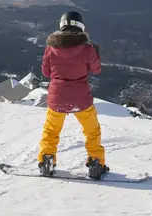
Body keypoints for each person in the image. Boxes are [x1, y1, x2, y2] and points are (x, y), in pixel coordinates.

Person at [37, 10, 109, 179]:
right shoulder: (87, 49)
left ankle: (47, 160)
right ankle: (96, 163)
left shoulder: (51, 48)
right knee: (92, 131)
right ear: (81, 27)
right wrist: (95, 53)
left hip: (57, 99)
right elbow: (96, 70)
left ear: (61, 26)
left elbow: (46, 73)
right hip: (81, 99)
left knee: (51, 131)